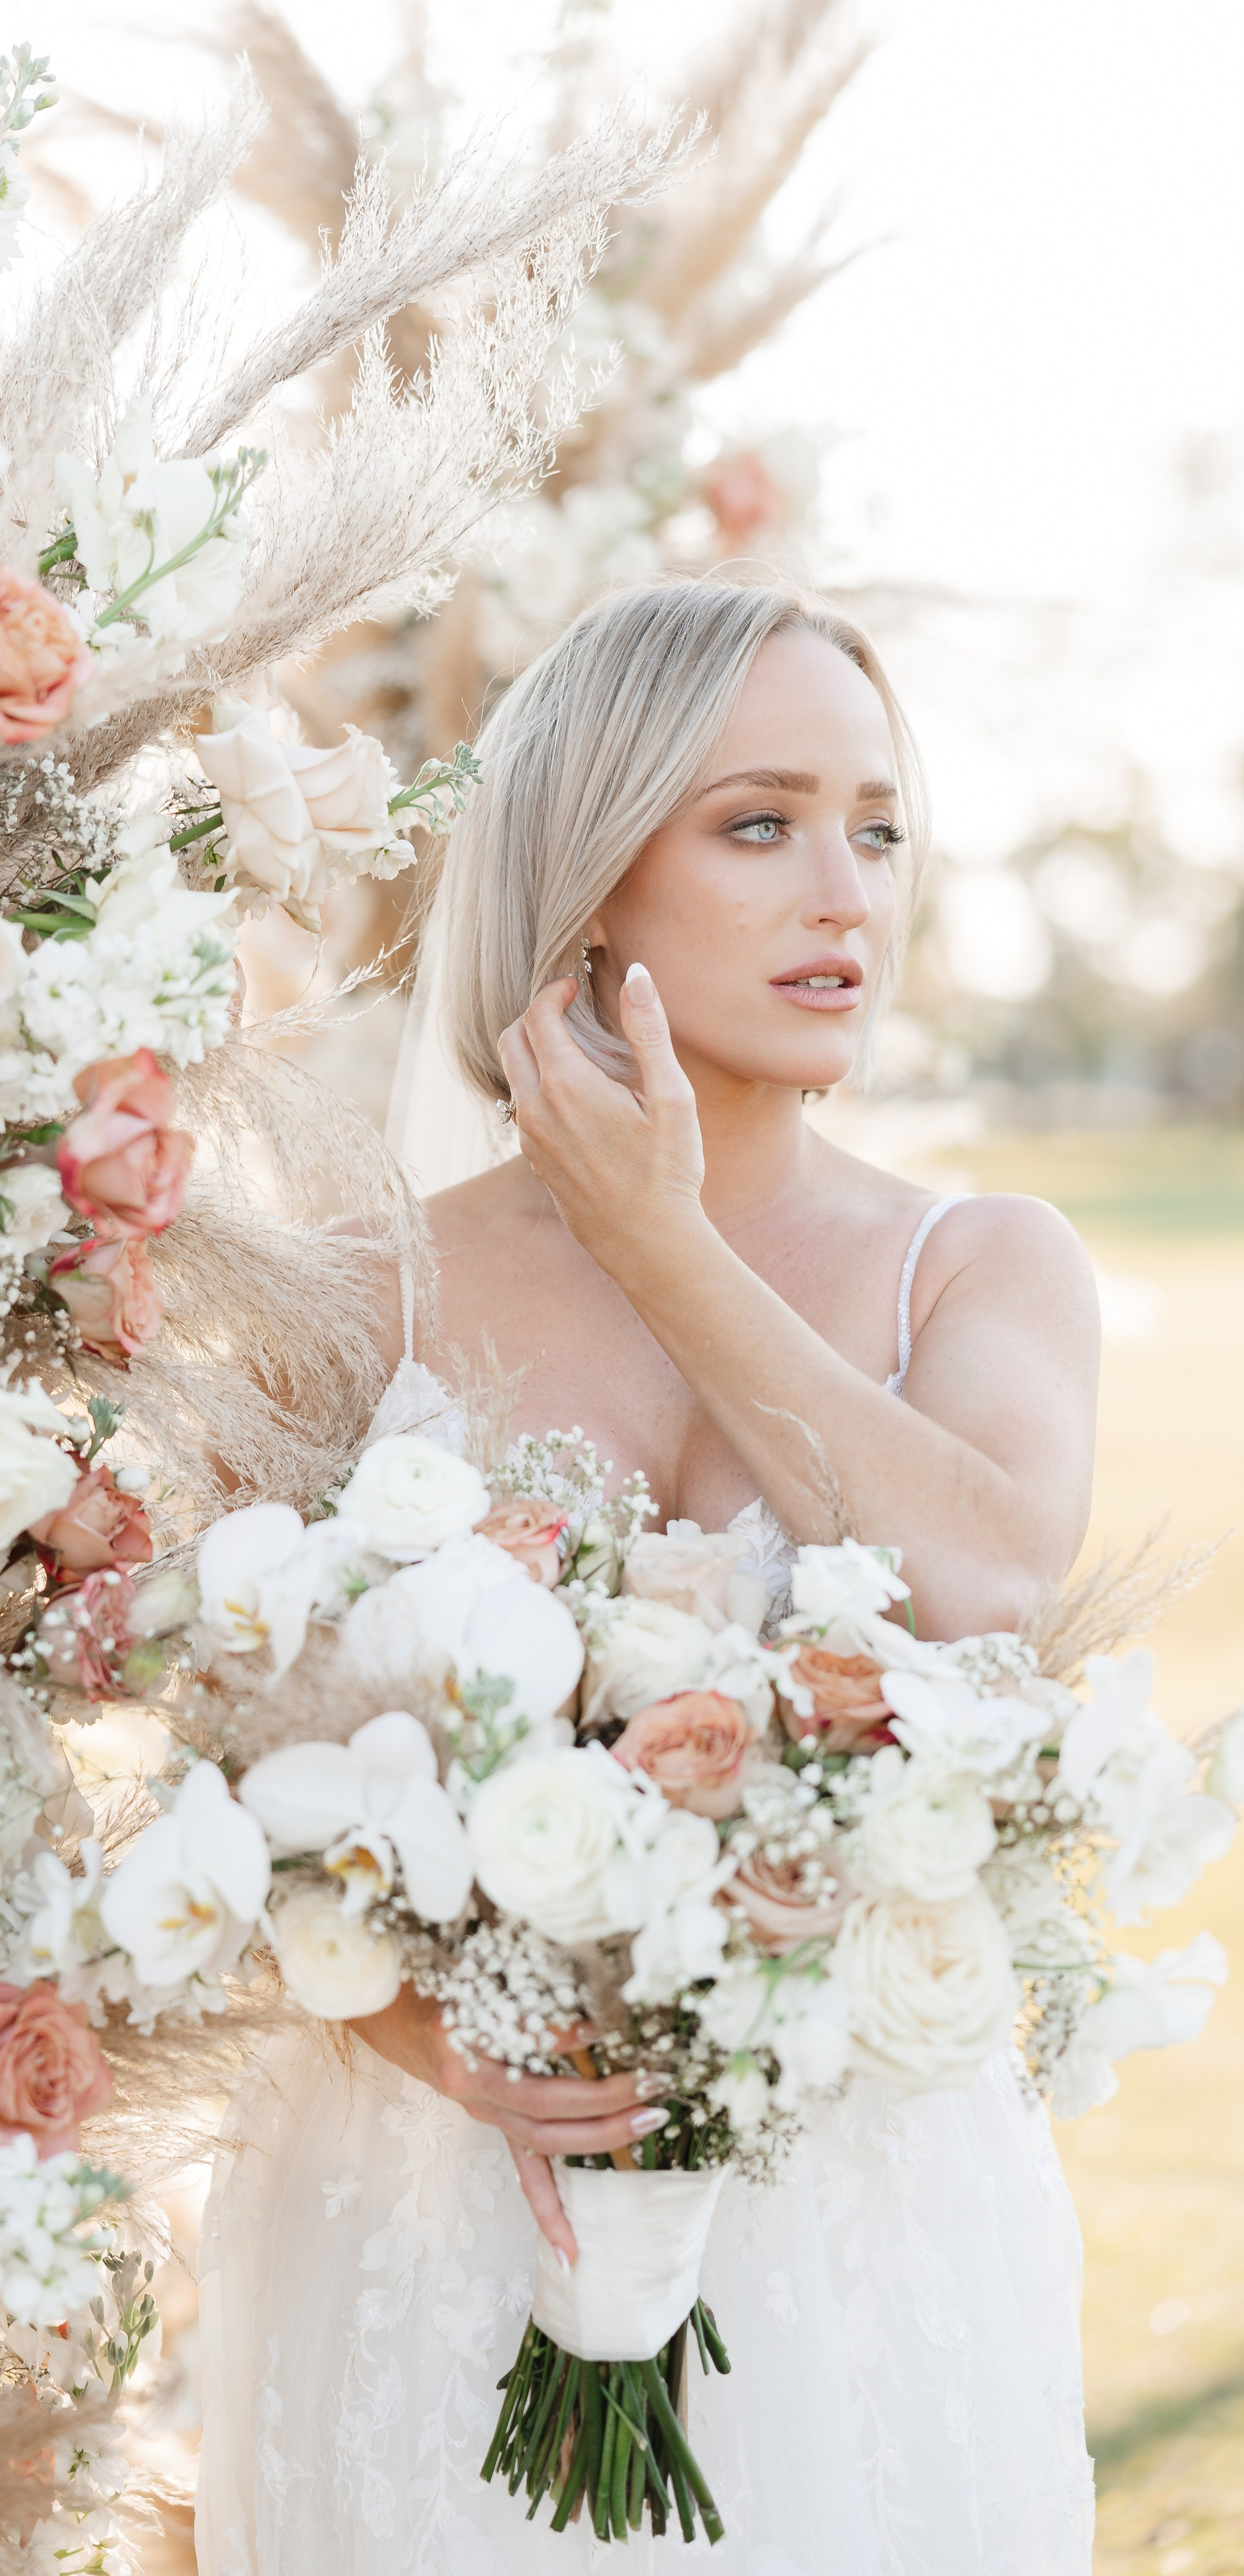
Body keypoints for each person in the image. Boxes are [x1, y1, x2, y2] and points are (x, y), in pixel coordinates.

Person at [195, 580, 1100, 2575]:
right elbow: (223, 1782)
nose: (845, 894)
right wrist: (421, 2036)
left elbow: (985, 1592)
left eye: (878, 829)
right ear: (592, 876)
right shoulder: (358, 1294)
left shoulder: (986, 1264)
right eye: (761, 824)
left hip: (854, 2235)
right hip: (431, 2220)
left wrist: (665, 1242)